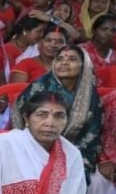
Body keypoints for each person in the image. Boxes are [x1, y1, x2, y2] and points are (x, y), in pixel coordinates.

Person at [13, 44, 102, 174]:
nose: (64, 63)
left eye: (72, 59)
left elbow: (92, 133)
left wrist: (74, 158)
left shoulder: (90, 96)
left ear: (84, 65)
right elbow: (21, 122)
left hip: (74, 151)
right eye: (59, 59)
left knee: (90, 179)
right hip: (33, 147)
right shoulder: (38, 88)